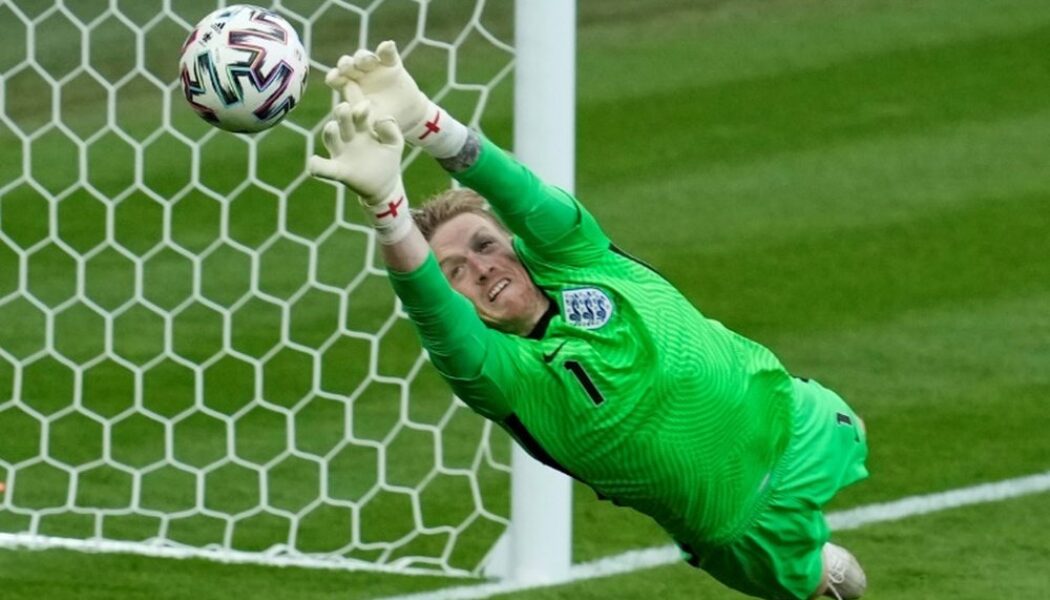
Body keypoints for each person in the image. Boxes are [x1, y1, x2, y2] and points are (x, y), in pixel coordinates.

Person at [307, 41, 870, 600]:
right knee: (838, 589)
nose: (481, 268)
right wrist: (386, 208)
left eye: (485, 245)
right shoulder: (504, 377)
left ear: (516, 244)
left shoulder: (581, 256)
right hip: (745, 527)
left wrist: (429, 124)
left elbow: (518, 192)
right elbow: (431, 310)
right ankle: (823, 566)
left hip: (804, 423)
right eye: (455, 271)